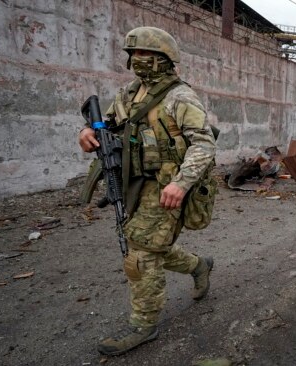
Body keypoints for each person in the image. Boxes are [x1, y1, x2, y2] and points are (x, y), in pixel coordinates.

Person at [78, 26, 217, 355]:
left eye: (146, 55)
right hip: (136, 184)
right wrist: (87, 132)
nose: (138, 60)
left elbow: (204, 144)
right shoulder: (129, 94)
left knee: (140, 254)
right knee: (152, 246)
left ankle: (144, 325)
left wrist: (181, 184)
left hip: (167, 185)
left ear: (165, 60)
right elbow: (107, 124)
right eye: (134, 54)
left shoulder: (180, 98)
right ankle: (198, 265)